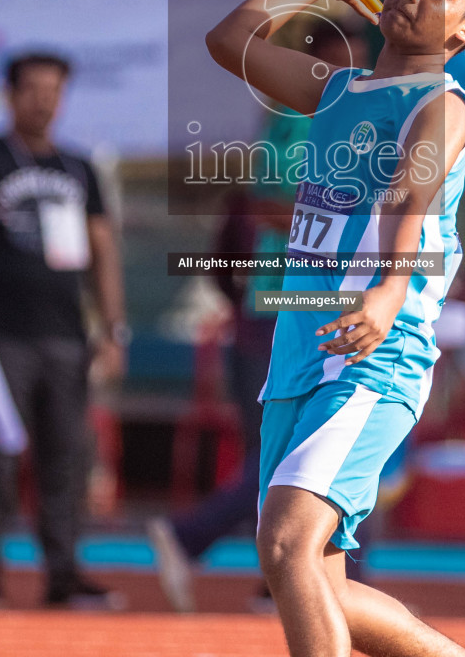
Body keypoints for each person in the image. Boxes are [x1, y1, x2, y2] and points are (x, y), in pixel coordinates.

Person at [206, 0, 465, 657]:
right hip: (301, 350)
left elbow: (407, 198)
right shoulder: (335, 90)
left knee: (290, 544)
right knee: (305, 570)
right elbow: (228, 43)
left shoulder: (441, 105)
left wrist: (390, 290)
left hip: (372, 352)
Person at [150, 30, 365, 613]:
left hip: (312, 312)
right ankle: (201, 538)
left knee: (316, 453)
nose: (350, 77)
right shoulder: (298, 124)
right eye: (337, 66)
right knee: (303, 454)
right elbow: (259, 204)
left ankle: (299, 579)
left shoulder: (352, 126)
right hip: (289, 317)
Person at [0, 51, 128, 609]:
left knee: (66, 458)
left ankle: (64, 575)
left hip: (67, 340)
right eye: (34, 89)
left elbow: (102, 251)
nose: (44, 101)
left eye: (54, 90)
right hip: (2, 340)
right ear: (10, 94)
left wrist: (114, 330)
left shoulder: (79, 169)